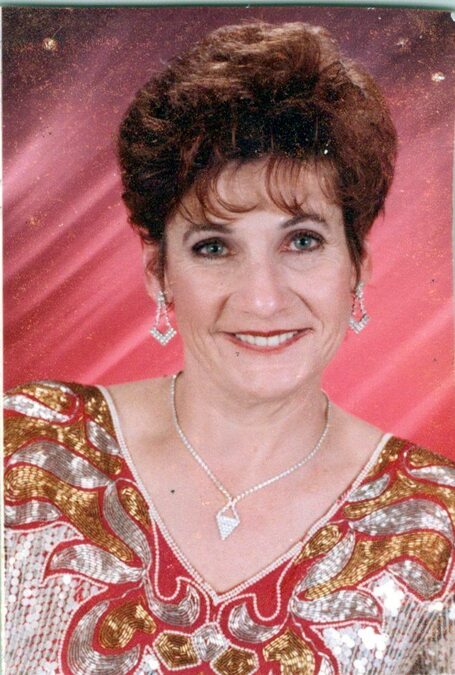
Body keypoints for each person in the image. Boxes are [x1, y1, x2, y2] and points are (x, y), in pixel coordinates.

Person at [4, 21, 454, 675]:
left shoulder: (435, 526)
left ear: (356, 265)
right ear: (159, 272)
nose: (262, 299)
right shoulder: (26, 452)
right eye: (214, 246)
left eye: (302, 241)